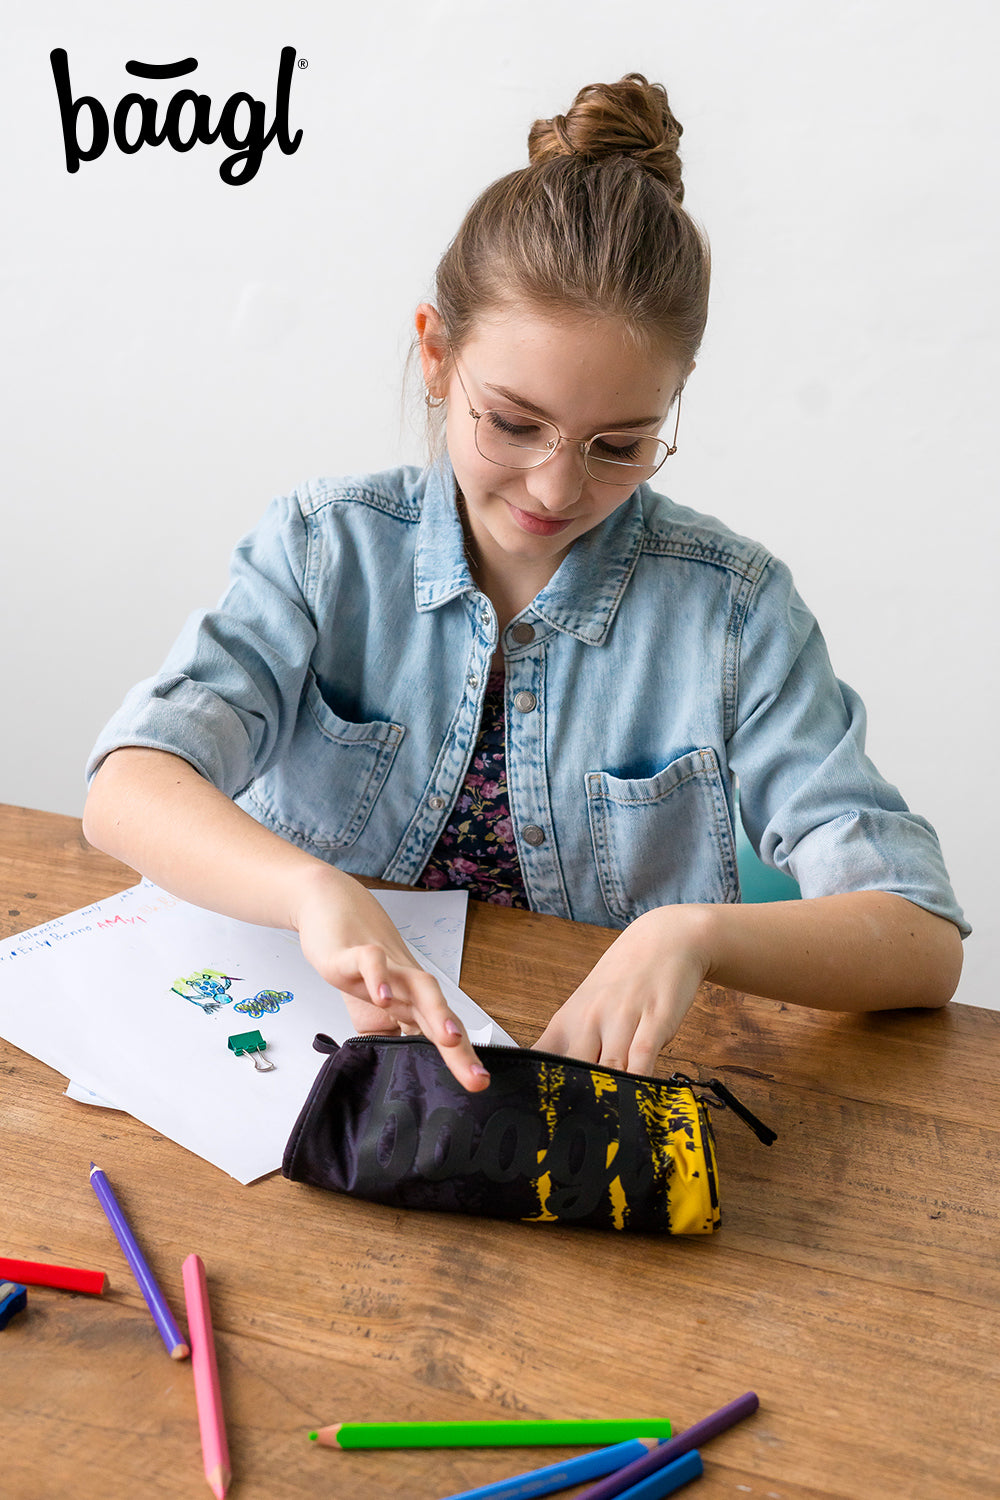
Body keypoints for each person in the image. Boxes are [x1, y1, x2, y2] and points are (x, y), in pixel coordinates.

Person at [83, 74, 967, 1094]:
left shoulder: (734, 613)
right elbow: (127, 788)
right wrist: (311, 892)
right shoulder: (325, 548)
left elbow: (919, 936)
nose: (555, 485)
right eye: (513, 422)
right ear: (436, 355)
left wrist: (693, 935)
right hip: (308, 1072)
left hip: (564, 1104)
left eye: (619, 443)